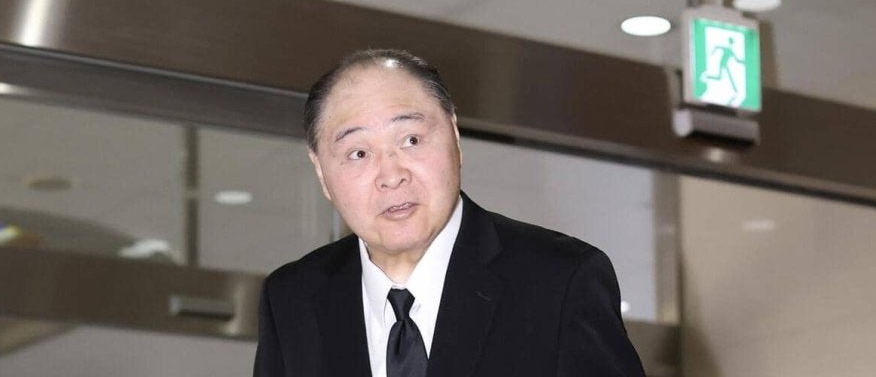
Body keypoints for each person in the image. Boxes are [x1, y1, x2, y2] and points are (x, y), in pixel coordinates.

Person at [253, 49, 645, 377]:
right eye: (358, 153)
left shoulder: (560, 281)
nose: (391, 175)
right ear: (321, 172)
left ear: (454, 136)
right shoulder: (292, 299)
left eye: (411, 140)